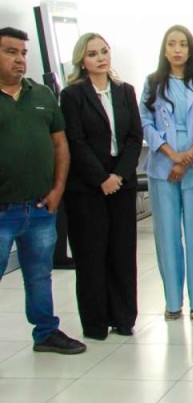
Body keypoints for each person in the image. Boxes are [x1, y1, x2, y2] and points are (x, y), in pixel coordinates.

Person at [0, 27, 86, 355]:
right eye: (10, 52)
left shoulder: (41, 95)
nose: (20, 59)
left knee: (39, 275)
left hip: (39, 207)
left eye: (23, 53)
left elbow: (60, 145)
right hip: (2, 210)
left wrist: (58, 189)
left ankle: (46, 333)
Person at [60, 32, 143, 340]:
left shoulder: (125, 91)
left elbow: (134, 137)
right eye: (92, 54)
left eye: (104, 51)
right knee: (91, 255)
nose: (100, 58)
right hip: (87, 187)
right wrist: (101, 178)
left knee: (122, 254)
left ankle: (123, 317)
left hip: (121, 182)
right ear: (82, 60)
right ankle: (96, 323)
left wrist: (118, 175)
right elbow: (76, 141)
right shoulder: (72, 95)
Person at [139, 25, 193, 321]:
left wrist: (187, 159)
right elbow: (145, 122)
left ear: (191, 49)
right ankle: (173, 302)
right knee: (167, 236)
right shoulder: (153, 82)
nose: (177, 50)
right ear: (164, 49)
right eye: (171, 44)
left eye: (183, 44)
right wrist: (172, 156)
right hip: (163, 166)